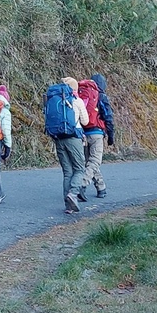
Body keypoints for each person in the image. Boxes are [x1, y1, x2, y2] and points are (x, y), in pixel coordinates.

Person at [78, 73, 115, 200]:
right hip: (96, 133)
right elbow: (108, 117)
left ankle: (101, 187)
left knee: (90, 162)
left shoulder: (83, 93)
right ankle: (81, 184)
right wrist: (111, 136)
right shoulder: (102, 96)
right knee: (95, 161)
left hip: (83, 133)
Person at [55, 77, 89, 214]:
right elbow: (85, 121)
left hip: (58, 138)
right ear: (74, 89)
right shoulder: (77, 100)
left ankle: (68, 206)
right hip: (73, 137)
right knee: (80, 168)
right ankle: (73, 194)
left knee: (67, 172)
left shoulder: (56, 100)